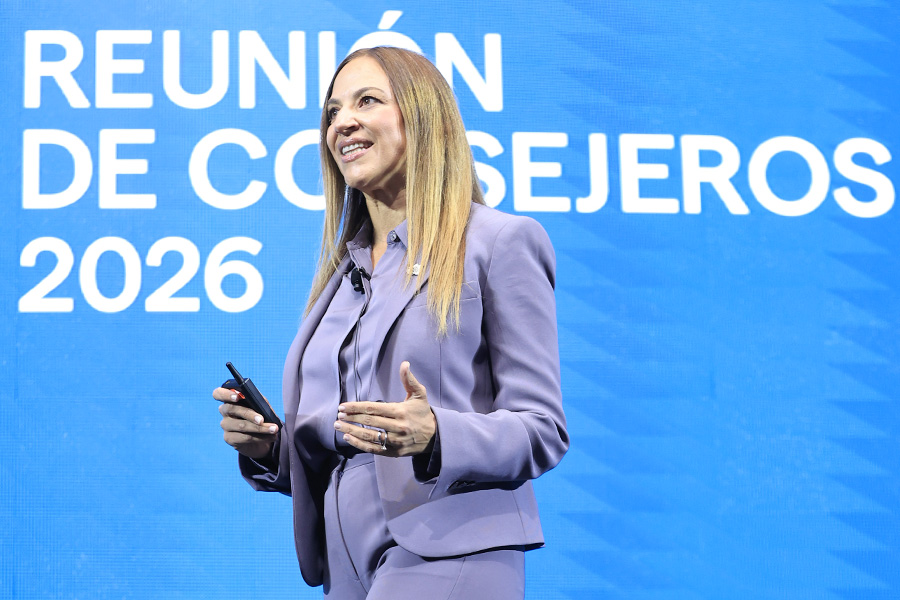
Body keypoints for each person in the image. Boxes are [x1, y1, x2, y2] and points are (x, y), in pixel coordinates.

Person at [213, 46, 568, 600]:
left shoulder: (498, 242)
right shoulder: (342, 274)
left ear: (422, 117)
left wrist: (436, 434)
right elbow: (341, 449)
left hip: (449, 548)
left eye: (367, 101)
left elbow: (542, 429)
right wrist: (267, 447)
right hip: (345, 565)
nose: (342, 122)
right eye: (332, 111)